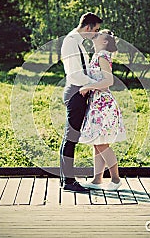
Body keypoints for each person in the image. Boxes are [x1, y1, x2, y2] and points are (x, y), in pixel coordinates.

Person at [79, 29, 127, 191]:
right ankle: (97, 180)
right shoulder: (97, 56)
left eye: (99, 35)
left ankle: (115, 179)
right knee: (97, 143)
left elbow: (108, 81)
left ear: (105, 41)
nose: (95, 35)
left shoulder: (102, 55)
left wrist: (88, 86)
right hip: (96, 103)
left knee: (102, 144)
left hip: (103, 104)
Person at [60, 12, 102, 192]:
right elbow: (75, 74)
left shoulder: (77, 42)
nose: (96, 34)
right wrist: (97, 85)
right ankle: (68, 181)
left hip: (79, 92)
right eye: (96, 30)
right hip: (75, 92)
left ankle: (67, 180)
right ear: (88, 27)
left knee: (71, 137)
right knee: (71, 137)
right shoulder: (71, 42)